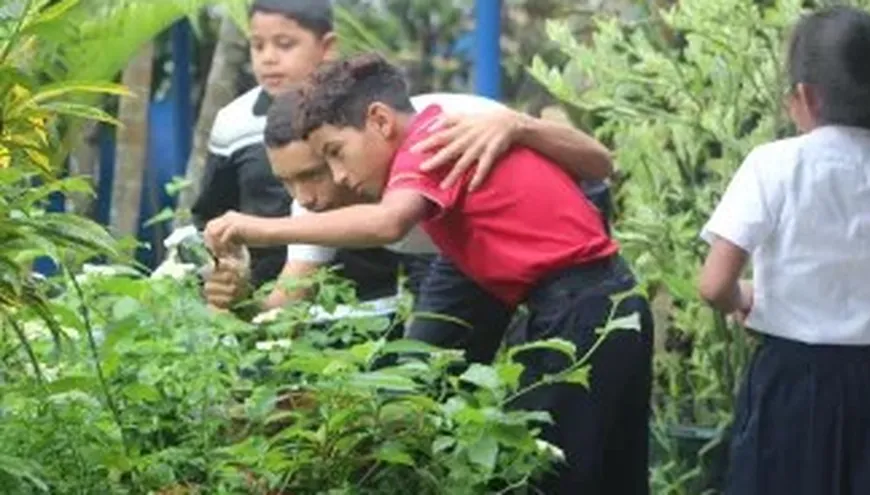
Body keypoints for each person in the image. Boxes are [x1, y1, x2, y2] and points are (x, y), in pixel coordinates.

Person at [204, 53, 654, 494]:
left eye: (334, 155)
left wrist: (254, 227)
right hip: (610, 295)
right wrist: (240, 296)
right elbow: (283, 307)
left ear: (380, 121)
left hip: (576, 305)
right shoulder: (392, 154)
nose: (336, 178)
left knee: (543, 469)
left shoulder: (437, 136)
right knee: (614, 471)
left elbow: (388, 222)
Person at [209, 91, 617, 365]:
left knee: (568, 369)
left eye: (317, 171)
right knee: (424, 376)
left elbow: (601, 162)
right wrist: (241, 300)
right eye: (287, 182)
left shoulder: (447, 128)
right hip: (458, 252)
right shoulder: (310, 207)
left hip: (569, 245)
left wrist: (518, 125)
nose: (307, 196)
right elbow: (286, 311)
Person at [698, 7, 870, 495]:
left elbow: (714, 284)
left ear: (804, 96)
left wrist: (742, 299)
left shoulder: (775, 166)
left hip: (792, 385)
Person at [190, 0, 338, 289]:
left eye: (284, 44)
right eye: (257, 46)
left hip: (366, 309)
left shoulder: (360, 114)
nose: (268, 58)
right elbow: (212, 215)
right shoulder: (234, 122)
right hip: (263, 307)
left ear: (327, 46)